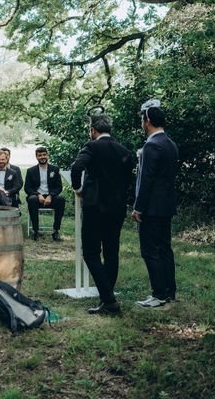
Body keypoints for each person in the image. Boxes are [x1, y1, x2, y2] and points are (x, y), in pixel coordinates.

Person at [71, 114, 134, 314]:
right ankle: (108, 298)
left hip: (95, 207)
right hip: (116, 208)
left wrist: (77, 188)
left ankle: (108, 300)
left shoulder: (92, 146)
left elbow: (77, 167)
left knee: (90, 252)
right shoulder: (124, 150)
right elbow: (128, 179)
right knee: (111, 252)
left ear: (93, 130)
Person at [132, 100, 179, 308]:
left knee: (150, 250)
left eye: (143, 120)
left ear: (148, 121)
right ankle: (169, 291)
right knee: (165, 249)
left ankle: (158, 294)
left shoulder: (151, 145)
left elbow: (147, 180)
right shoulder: (170, 143)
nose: (142, 124)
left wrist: (138, 207)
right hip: (167, 205)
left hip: (151, 207)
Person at [24, 147, 65, 241]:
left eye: (44, 155)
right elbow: (27, 188)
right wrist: (38, 195)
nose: (42, 157)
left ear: (47, 155)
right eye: (40, 155)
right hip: (36, 196)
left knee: (61, 200)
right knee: (32, 200)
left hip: (51, 197)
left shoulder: (55, 169)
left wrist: (50, 195)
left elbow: (59, 187)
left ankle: (56, 231)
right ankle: (36, 231)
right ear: (36, 157)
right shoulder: (31, 171)